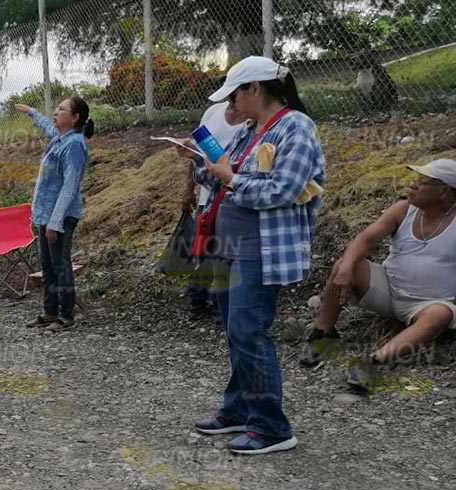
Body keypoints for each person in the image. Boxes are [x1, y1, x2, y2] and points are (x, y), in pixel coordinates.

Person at [180, 56, 326, 455]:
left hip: (260, 250)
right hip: (230, 246)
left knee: (249, 332)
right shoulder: (250, 129)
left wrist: (229, 178)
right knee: (235, 331)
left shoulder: (296, 127)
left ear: (255, 89)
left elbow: (283, 189)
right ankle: (240, 408)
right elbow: (226, 172)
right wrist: (202, 163)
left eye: (234, 94)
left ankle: (272, 427)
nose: (230, 105)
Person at [301, 158, 456, 393]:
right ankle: (324, 334)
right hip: (387, 288)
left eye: (421, 182)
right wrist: (344, 270)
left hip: (427, 303)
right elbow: (365, 239)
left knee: (440, 314)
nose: (412, 185)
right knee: (347, 264)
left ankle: (375, 363)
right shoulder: (403, 209)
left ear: (444, 191)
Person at [14, 97, 94, 332]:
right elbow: (48, 127)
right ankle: (50, 312)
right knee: (48, 266)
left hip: (59, 217)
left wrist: (55, 223)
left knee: (61, 266)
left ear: (75, 118)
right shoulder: (61, 138)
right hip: (45, 214)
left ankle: (66, 315)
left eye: (62, 109)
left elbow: (70, 186)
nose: (56, 112)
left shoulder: (75, 145)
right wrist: (31, 111)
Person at [182, 101, 246, 320]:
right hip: (208, 200)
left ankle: (223, 307)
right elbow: (196, 155)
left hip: (233, 200)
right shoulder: (213, 112)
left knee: (225, 255)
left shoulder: (252, 120)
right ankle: (198, 302)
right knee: (203, 252)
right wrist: (188, 190)